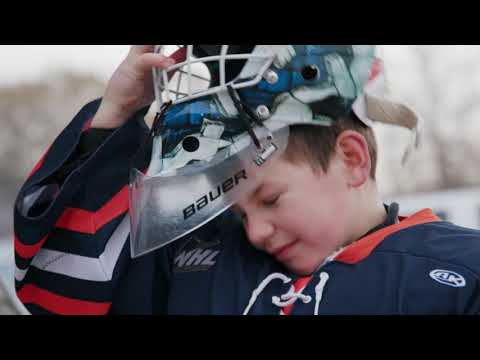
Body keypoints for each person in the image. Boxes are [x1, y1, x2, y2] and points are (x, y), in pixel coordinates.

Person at [13, 45, 480, 315]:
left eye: (271, 198)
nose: (254, 231)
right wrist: (111, 121)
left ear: (353, 161)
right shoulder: (194, 261)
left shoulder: (458, 273)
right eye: (234, 208)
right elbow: (56, 294)